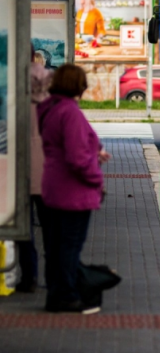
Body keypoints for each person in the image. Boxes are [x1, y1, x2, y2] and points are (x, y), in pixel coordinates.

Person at [37, 64, 111, 314]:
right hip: (73, 191)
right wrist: (97, 180)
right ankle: (67, 296)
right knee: (69, 247)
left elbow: (64, 147)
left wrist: (94, 153)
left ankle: (55, 294)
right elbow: (77, 158)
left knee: (56, 246)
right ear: (78, 85)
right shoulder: (70, 112)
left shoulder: (49, 108)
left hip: (53, 186)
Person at [15, 46, 53, 293]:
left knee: (23, 228)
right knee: (52, 229)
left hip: (17, 169)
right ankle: (55, 279)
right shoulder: (54, 90)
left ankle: (29, 278)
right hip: (49, 171)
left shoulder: (11, 86)